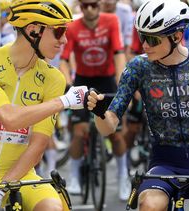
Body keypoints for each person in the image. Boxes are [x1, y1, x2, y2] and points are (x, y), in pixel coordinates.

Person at [85, 0, 189, 210]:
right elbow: (108, 126)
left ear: (177, 36)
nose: (144, 45)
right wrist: (100, 113)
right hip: (164, 161)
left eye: (152, 39)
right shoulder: (138, 68)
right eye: (142, 36)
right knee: (149, 205)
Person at [0, 0, 88, 210]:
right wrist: (64, 102)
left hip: (22, 173)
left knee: (53, 207)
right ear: (33, 30)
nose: (64, 40)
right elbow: (10, 118)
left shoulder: (53, 78)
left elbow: (38, 146)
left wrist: (0, 189)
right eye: (58, 31)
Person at [59, 0, 131, 201]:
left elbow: (118, 54)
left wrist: (122, 84)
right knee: (79, 132)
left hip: (107, 81)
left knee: (115, 135)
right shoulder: (73, 26)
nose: (89, 9)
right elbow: (64, 60)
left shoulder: (111, 21)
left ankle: (123, 175)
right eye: (85, 6)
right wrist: (68, 85)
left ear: (99, 6)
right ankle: (74, 176)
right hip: (83, 80)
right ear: (80, 8)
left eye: (93, 5)